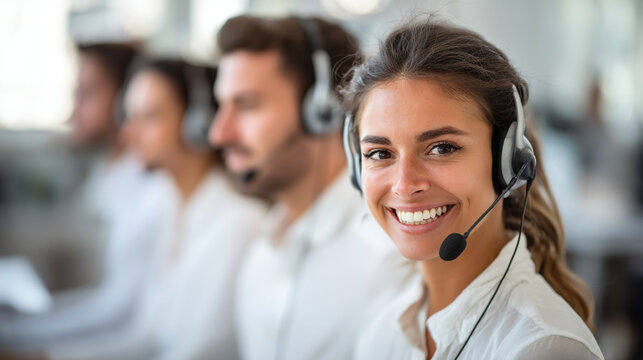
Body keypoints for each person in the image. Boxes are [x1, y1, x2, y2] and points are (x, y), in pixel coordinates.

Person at [342, 18, 605, 359]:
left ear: (507, 161)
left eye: (442, 148)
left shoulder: (541, 348)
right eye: (380, 153)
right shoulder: (382, 331)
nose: (405, 185)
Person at [209, 15, 415, 360]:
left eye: (246, 106)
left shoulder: (387, 257)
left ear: (322, 110)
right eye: (220, 106)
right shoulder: (261, 255)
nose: (219, 133)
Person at [42, 58, 267, 360]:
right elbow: (147, 337)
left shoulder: (237, 223)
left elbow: (195, 354)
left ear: (196, 124)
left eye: (149, 117)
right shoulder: (170, 207)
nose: (129, 134)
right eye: (129, 117)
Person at [0, 42, 164, 351]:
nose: (74, 110)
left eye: (86, 95)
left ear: (125, 100)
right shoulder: (106, 173)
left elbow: (117, 312)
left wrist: (22, 337)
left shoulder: (149, 190)